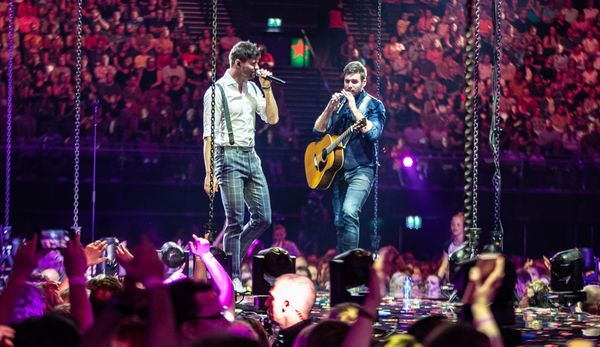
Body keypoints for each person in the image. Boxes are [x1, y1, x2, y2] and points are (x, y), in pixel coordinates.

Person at [203, 41, 279, 292]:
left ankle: (227, 254)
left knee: (263, 217)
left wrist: (267, 90)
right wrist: (209, 173)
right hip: (227, 156)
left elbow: (272, 118)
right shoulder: (216, 91)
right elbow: (209, 137)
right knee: (235, 220)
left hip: (251, 155)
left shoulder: (254, 89)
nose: (257, 68)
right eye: (253, 63)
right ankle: (233, 274)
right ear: (238, 62)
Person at [312, 61, 386, 253]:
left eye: (354, 81)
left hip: (362, 168)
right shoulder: (338, 106)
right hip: (337, 171)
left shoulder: (374, 106)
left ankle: (350, 267)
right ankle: (342, 271)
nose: (350, 85)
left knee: (349, 211)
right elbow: (317, 132)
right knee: (339, 221)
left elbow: (374, 134)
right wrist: (329, 109)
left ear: (364, 82)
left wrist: (354, 109)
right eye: (347, 81)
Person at [265, 274, 316, 347]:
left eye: (272, 298)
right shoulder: (312, 338)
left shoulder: (302, 342)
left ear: (286, 305)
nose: (266, 303)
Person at [437, 212, 466, 280]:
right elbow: (444, 266)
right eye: (453, 224)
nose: (455, 227)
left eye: (458, 225)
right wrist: (437, 279)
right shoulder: (447, 245)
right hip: (450, 282)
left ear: (464, 227)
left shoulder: (468, 245)